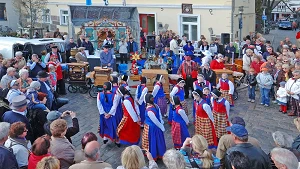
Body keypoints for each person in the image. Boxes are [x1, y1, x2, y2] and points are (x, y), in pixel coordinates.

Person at [142, 94, 166, 160]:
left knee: (152, 141)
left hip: (151, 128)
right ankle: (159, 153)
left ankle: (154, 154)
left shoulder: (149, 110)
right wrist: (161, 124)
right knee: (158, 140)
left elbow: (155, 120)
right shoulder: (156, 105)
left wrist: (161, 126)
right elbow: (160, 116)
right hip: (156, 127)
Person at [97, 82, 119, 146]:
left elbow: (99, 105)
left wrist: (104, 113)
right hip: (112, 115)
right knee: (113, 127)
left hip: (103, 115)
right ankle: (116, 141)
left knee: (105, 126)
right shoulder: (114, 95)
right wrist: (109, 114)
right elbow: (114, 106)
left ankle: (105, 138)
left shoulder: (99, 94)